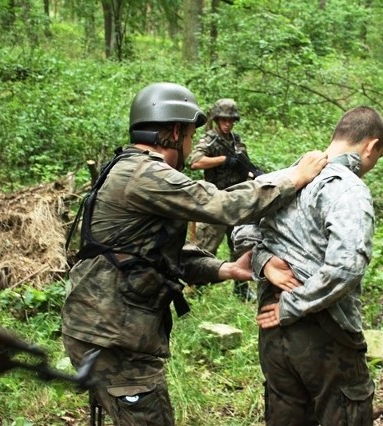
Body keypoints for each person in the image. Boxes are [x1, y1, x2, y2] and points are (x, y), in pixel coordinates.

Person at [60, 82, 328, 426]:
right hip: (113, 338)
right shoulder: (146, 173)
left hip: (101, 329)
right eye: (189, 135)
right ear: (175, 131)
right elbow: (224, 204)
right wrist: (295, 177)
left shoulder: (130, 169)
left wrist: (226, 269)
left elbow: (156, 255)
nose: (190, 144)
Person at [233, 106, 383, 426]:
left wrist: (263, 262)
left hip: (272, 332)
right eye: (376, 158)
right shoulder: (348, 187)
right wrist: (294, 304)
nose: (371, 166)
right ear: (371, 147)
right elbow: (346, 266)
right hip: (325, 331)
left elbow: (239, 227)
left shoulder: (286, 177)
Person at [188, 98, 259, 302]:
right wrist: (224, 160)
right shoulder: (210, 139)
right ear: (217, 120)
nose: (227, 124)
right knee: (205, 246)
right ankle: (196, 289)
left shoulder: (236, 140)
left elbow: (246, 165)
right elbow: (195, 162)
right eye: (223, 120)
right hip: (215, 200)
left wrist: (252, 173)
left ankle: (241, 287)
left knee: (241, 245)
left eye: (231, 120)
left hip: (236, 199)